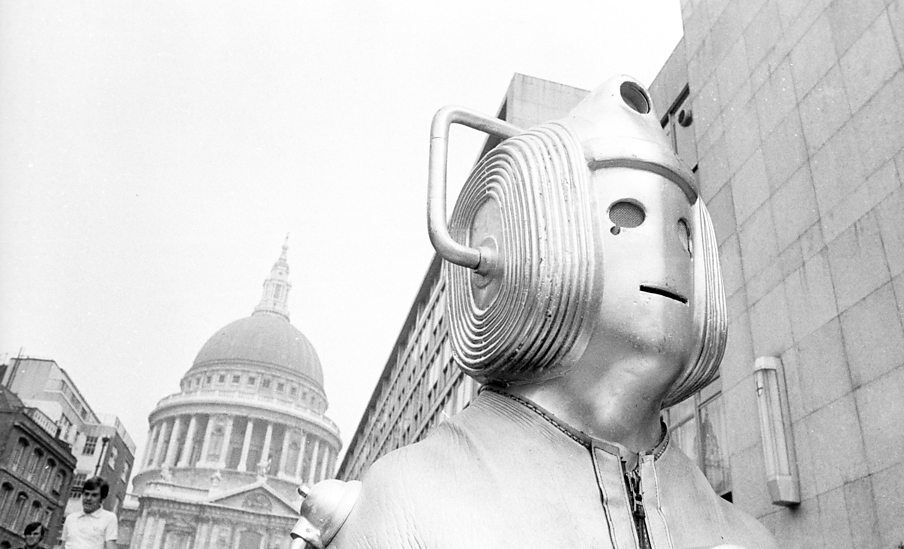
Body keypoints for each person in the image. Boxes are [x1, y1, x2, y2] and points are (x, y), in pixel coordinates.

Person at [291, 76, 777, 548]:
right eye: (624, 217)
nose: (665, 258)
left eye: (682, 233)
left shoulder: (746, 537)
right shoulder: (408, 502)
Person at [58, 477, 118, 549]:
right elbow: (63, 546)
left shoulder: (109, 518)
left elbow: (111, 546)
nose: (88, 498)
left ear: (102, 498)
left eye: (94, 495)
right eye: (86, 494)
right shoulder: (70, 518)